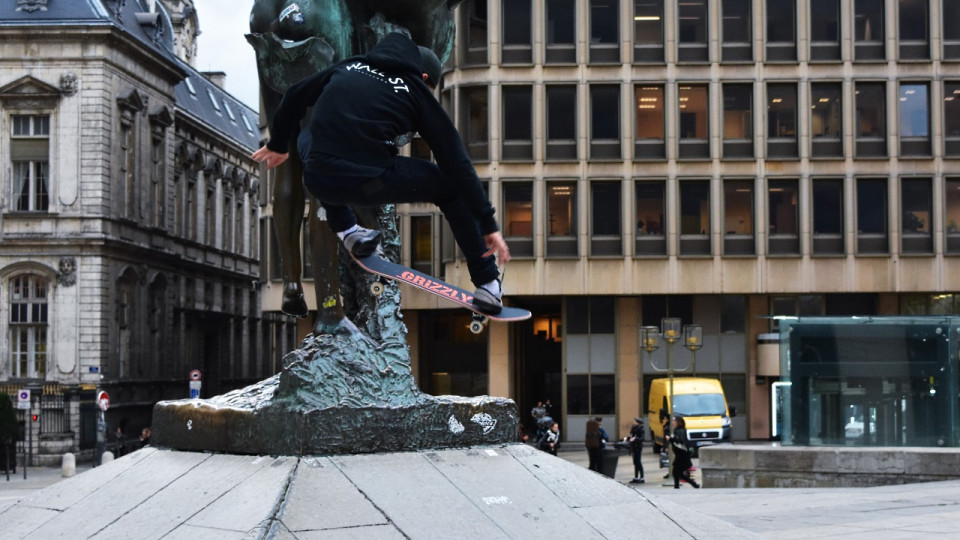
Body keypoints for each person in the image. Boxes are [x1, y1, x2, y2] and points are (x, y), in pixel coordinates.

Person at [251, 32, 510, 314]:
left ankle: (348, 231)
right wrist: (487, 222)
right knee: (448, 187)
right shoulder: (415, 90)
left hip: (316, 178)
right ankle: (487, 284)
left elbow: (293, 95)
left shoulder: (347, 66)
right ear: (423, 77)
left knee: (320, 140)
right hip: (367, 182)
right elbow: (456, 161)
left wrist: (278, 144)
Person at [667, 416, 700, 489]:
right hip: (681, 454)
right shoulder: (681, 430)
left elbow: (679, 441)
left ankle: (691, 485)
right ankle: (691, 485)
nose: (673, 422)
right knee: (677, 472)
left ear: (678, 422)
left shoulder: (679, 431)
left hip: (681, 454)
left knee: (676, 472)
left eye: (674, 421)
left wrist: (671, 439)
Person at [627, 417, 645, 484]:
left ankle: (642, 477)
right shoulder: (633, 428)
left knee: (638, 462)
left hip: (638, 447)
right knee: (635, 462)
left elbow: (642, 438)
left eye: (635, 421)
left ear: (638, 422)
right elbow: (631, 435)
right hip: (633, 447)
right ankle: (636, 477)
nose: (634, 422)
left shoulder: (641, 429)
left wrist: (635, 438)